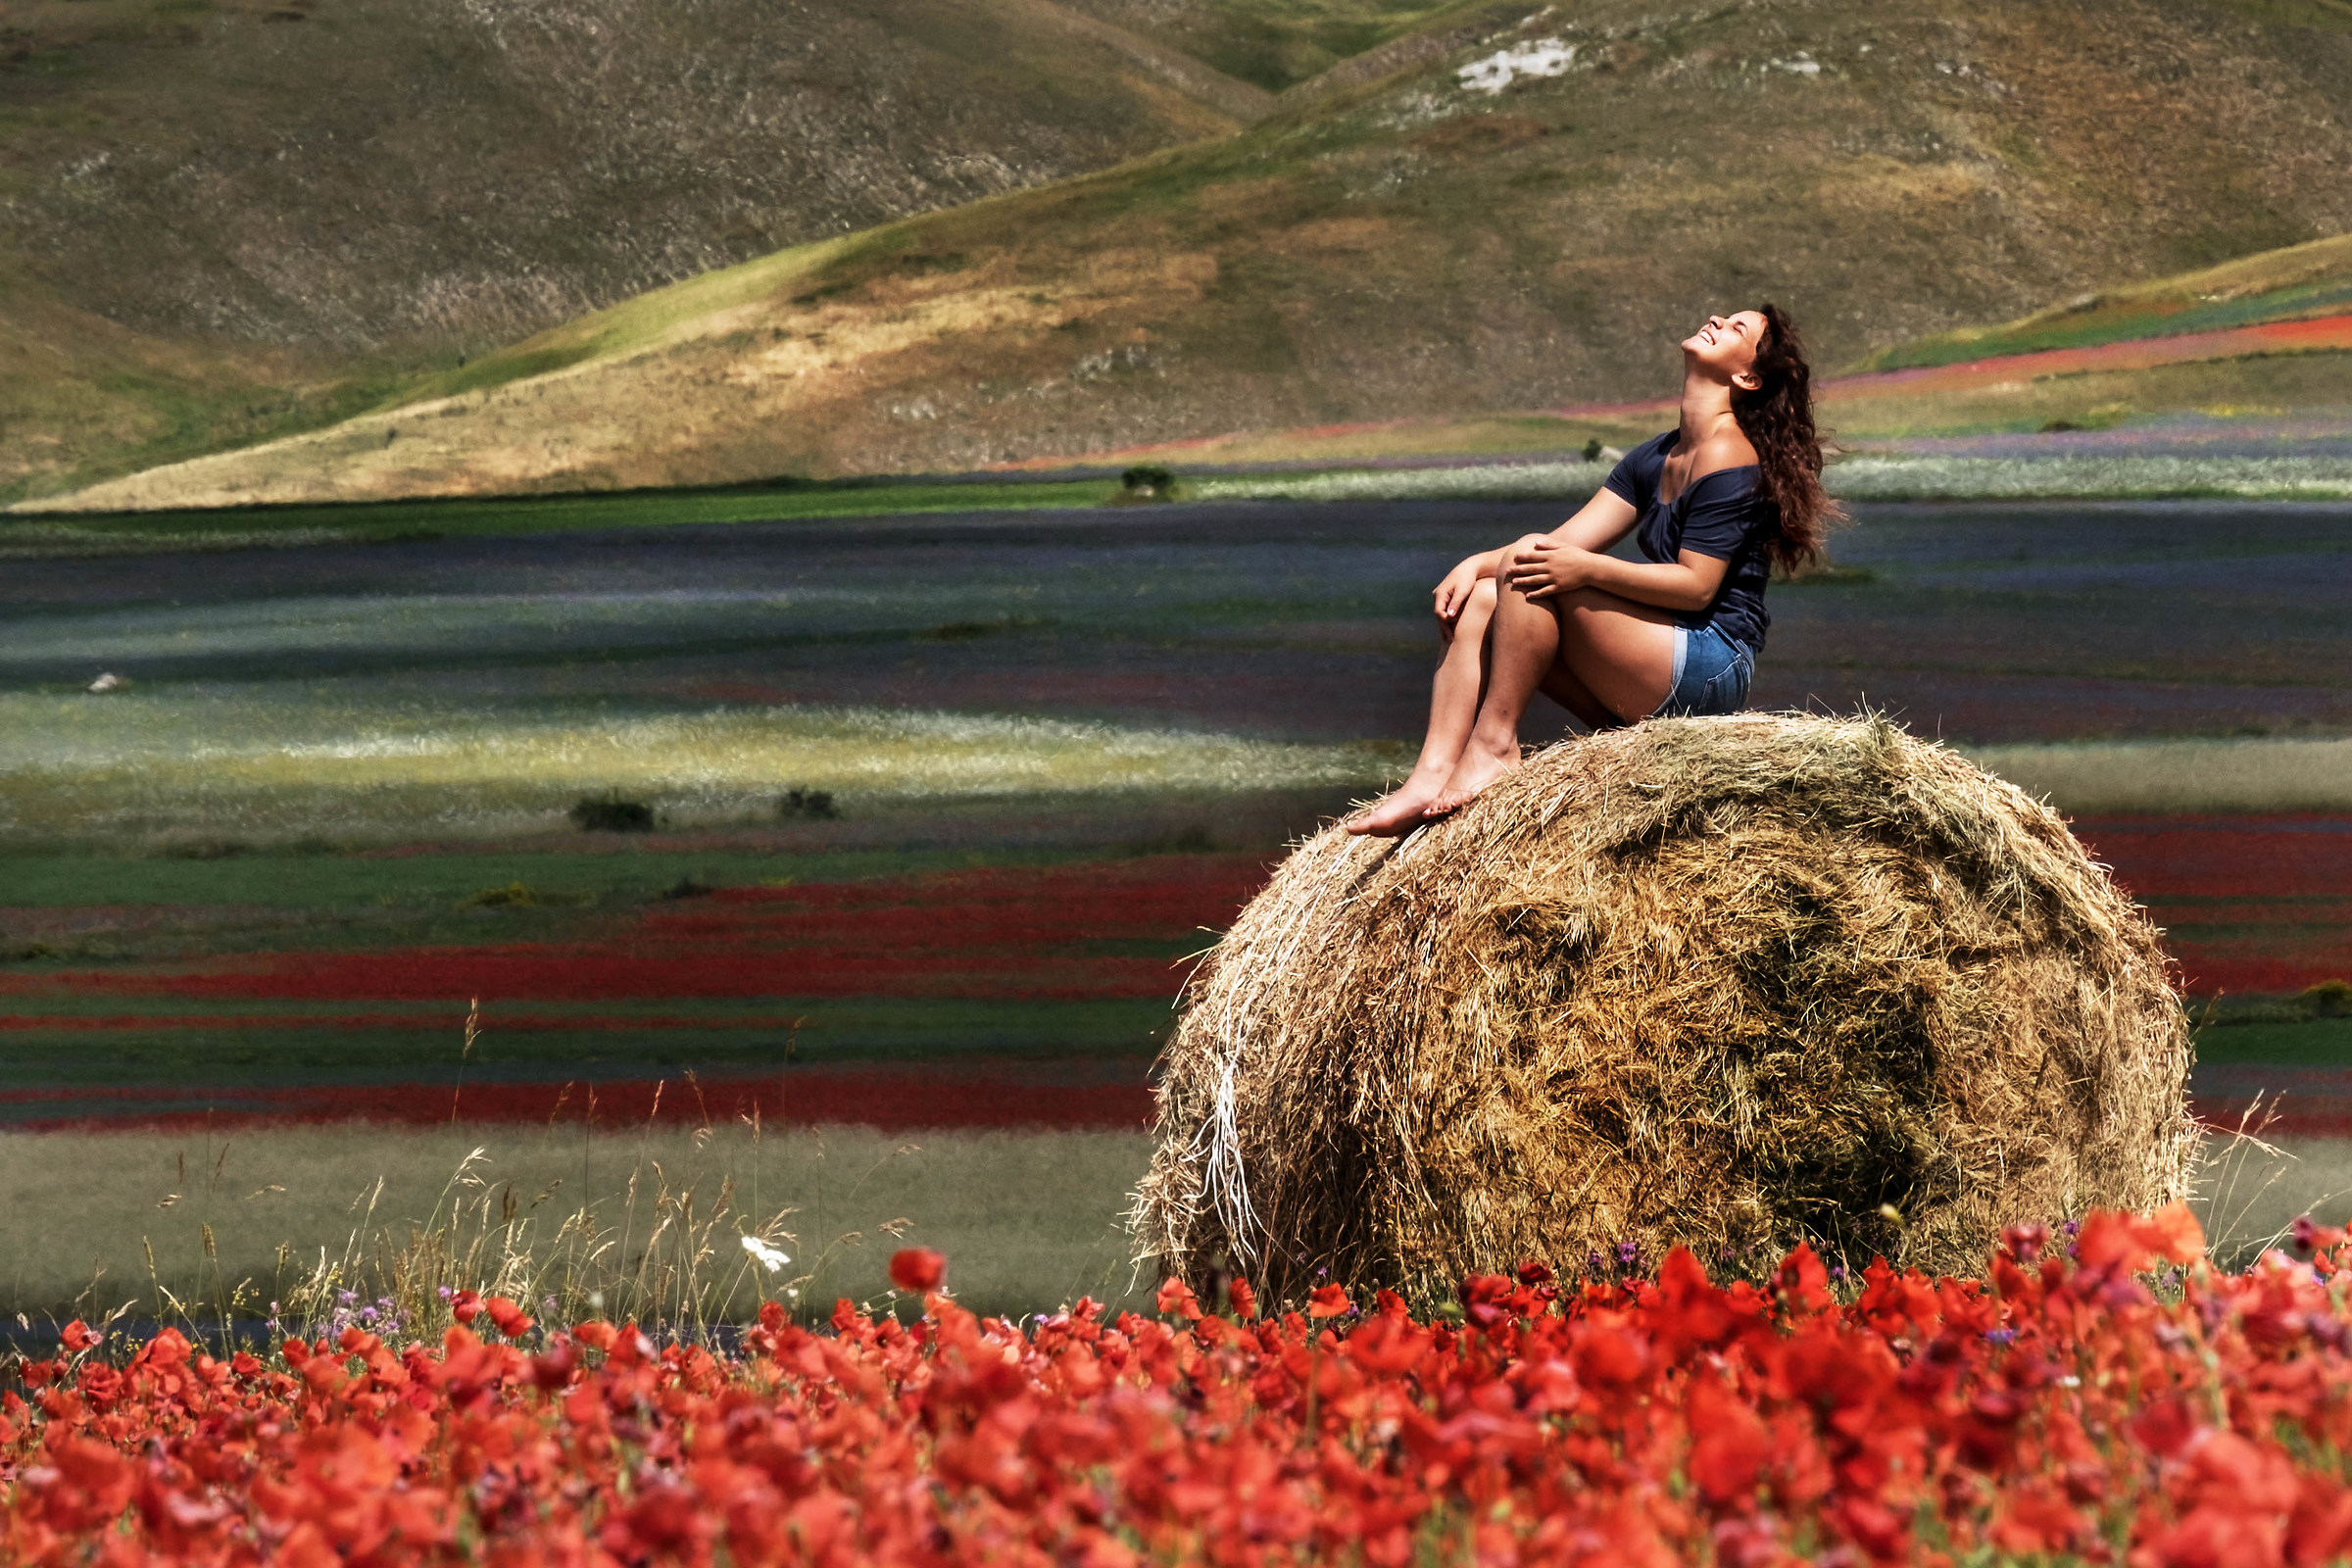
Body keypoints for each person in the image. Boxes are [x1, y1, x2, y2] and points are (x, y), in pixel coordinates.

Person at [1348, 303, 1839, 836]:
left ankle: (1494, 746)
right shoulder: (1655, 456)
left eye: (1737, 328)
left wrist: (1585, 570)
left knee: (1526, 564)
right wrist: (1474, 565)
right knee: (1486, 596)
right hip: (1657, 655)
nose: (1718, 321)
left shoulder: (1730, 453)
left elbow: (1697, 588)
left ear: (1747, 376)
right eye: (1724, 316)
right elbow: (1562, 545)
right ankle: (1431, 773)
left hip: (1711, 664)